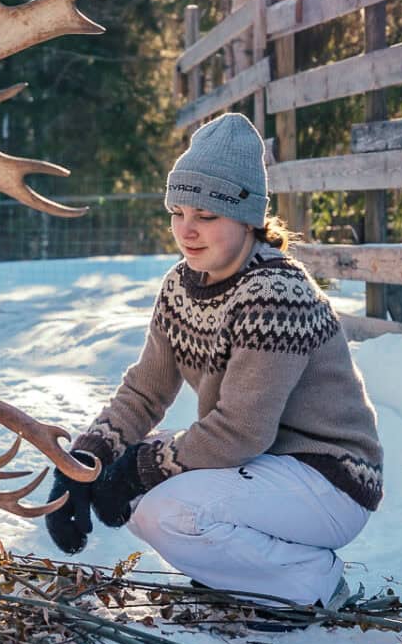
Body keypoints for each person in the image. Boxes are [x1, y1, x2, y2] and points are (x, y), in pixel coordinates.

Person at [45, 112, 383, 610]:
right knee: (136, 489)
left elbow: (242, 430)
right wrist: (86, 464)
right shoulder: (181, 284)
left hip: (329, 479)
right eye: (177, 212)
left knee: (166, 507)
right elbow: (144, 391)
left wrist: (137, 469)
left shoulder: (275, 293)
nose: (187, 230)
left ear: (248, 218)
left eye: (206, 217)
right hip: (265, 468)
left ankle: (310, 583)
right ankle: (248, 575)